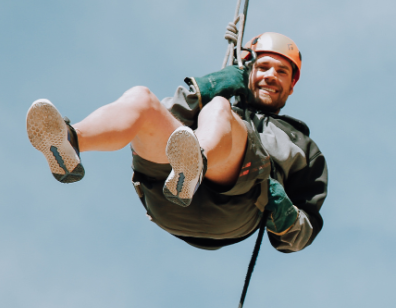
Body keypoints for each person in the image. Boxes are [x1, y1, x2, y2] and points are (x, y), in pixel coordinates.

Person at [25, 32, 327, 252]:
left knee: (218, 110)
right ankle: (69, 141)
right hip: (168, 200)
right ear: (248, 70)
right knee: (142, 99)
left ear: (292, 84)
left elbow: (303, 233)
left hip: (235, 207)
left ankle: (194, 163)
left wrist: (284, 212)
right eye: (263, 68)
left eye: (281, 71)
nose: (271, 76)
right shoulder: (219, 104)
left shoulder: (302, 146)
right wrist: (209, 87)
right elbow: (168, 119)